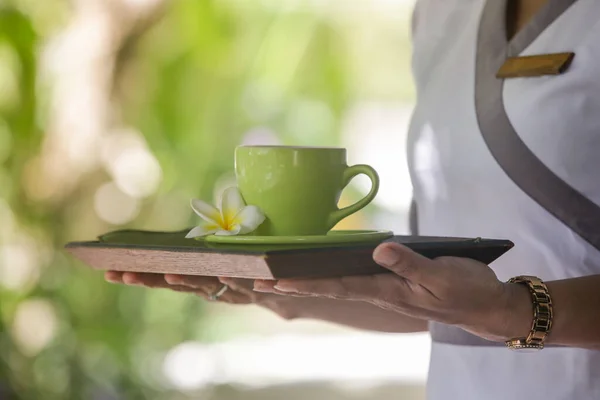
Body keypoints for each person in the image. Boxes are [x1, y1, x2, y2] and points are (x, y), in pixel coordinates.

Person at [105, 0, 600, 398]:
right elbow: (431, 300)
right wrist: (277, 290)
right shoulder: (440, 14)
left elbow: (485, 304)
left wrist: (511, 309)